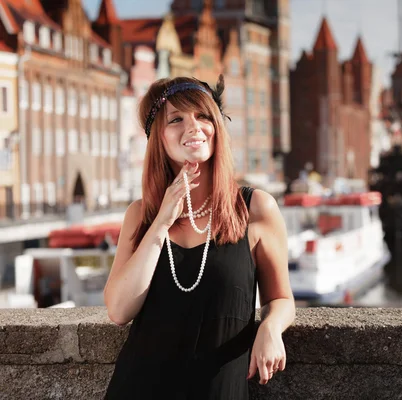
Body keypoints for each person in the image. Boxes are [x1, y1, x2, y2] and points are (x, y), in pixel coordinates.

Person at [103, 75, 295, 399]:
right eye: (176, 119)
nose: (193, 127)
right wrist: (162, 220)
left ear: (217, 127)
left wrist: (271, 328)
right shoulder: (141, 215)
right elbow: (119, 310)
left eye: (203, 116)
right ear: (159, 139)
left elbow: (281, 300)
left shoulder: (256, 208)